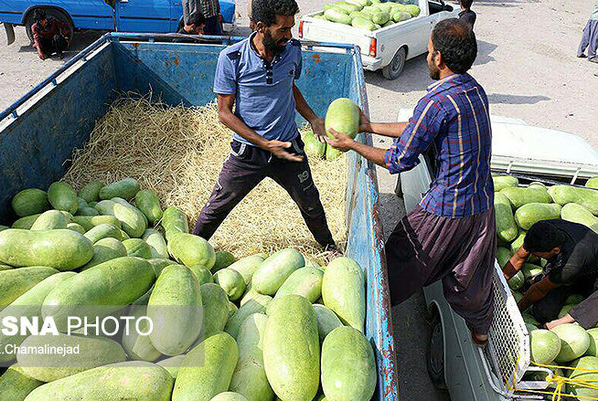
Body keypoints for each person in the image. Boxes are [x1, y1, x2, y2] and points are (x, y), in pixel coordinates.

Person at [326, 19, 495, 344]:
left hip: (446, 209)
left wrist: (352, 145)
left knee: (399, 262)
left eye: (430, 51)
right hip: (482, 205)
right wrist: (369, 126)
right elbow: (419, 127)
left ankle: (367, 322)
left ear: (439, 59)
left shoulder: (436, 101)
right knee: (470, 277)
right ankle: (482, 331)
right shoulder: (474, 89)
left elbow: (397, 160)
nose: (428, 57)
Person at [192, 0, 337, 252]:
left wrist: (313, 118)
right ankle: (188, 250)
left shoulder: (292, 51)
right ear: (260, 27)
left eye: (291, 28)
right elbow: (225, 114)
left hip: (288, 149)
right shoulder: (232, 58)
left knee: (311, 203)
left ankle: (329, 249)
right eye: (282, 29)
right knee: (217, 207)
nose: (289, 35)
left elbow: (289, 87)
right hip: (249, 153)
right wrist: (263, 143)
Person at [502, 220, 598, 330]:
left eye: (536, 254)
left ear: (555, 250)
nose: (532, 255)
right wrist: (500, 280)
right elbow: (519, 257)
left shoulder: (569, 265)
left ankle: (558, 323)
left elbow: (539, 290)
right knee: (543, 313)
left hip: (590, 274)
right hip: (579, 267)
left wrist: (516, 310)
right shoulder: (543, 229)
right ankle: (543, 278)